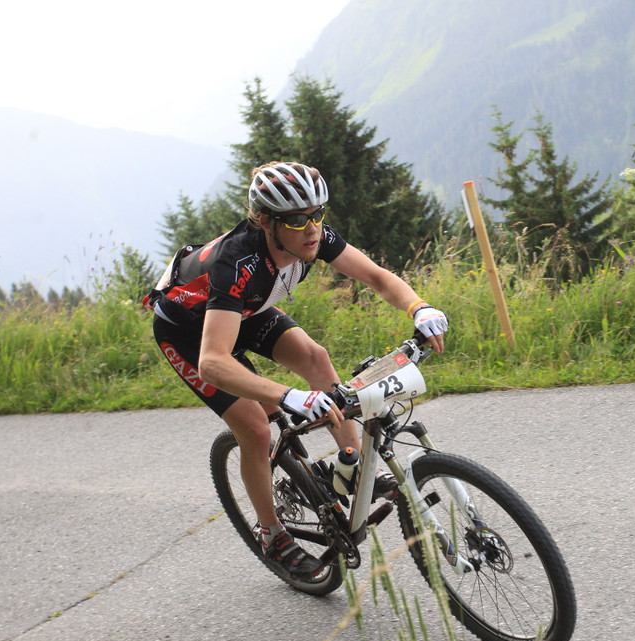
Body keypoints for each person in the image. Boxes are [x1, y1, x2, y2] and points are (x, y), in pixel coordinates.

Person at [146, 161, 448, 579]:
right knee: (255, 428)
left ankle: (353, 468)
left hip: (245, 310)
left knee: (316, 358)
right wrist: (290, 396)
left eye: (317, 214)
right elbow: (213, 363)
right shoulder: (237, 263)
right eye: (296, 219)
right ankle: (272, 535)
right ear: (265, 222)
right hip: (189, 333)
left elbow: (378, 278)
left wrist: (419, 307)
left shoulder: (313, 238)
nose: (311, 229)